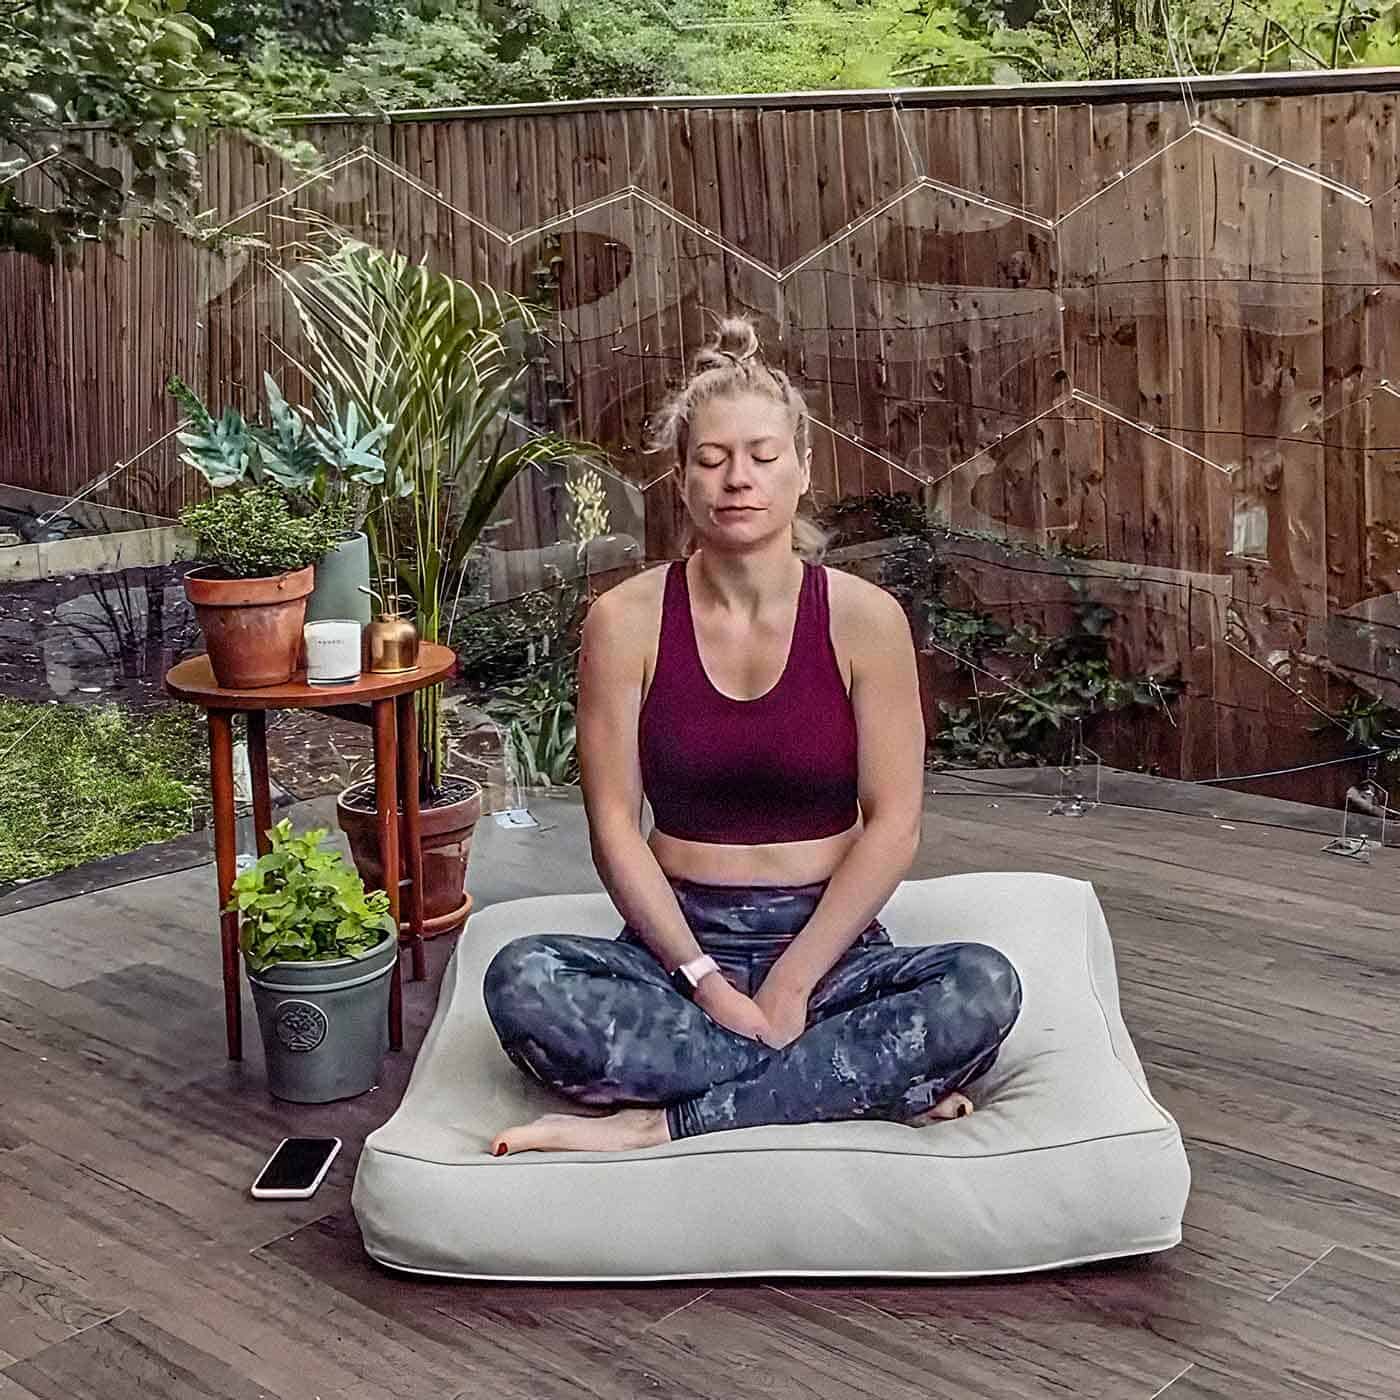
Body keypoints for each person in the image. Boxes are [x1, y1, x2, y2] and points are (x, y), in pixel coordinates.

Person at [482, 316, 1022, 1157]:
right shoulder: (623, 622)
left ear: (802, 471)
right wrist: (705, 982)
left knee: (981, 987)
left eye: (764, 457)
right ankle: (852, 1084)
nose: (738, 479)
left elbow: (894, 826)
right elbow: (616, 828)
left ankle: (663, 1122)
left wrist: (796, 980)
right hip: (676, 945)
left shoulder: (863, 619)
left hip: (833, 948)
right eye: (712, 459)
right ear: (682, 479)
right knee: (522, 980)